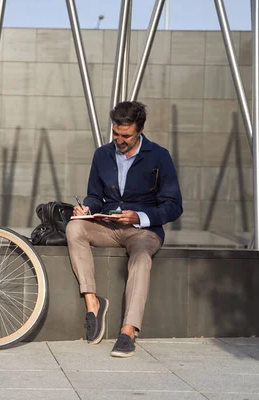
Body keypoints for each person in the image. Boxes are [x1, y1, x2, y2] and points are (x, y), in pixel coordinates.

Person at [66, 101, 183, 358]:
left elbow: (174, 206)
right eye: (116, 134)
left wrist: (139, 216)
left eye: (126, 136)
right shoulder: (102, 155)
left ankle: (128, 331)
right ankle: (93, 304)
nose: (119, 140)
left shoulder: (159, 156)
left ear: (140, 130)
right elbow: (95, 196)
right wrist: (86, 208)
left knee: (141, 259)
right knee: (74, 229)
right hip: (108, 226)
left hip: (144, 231)